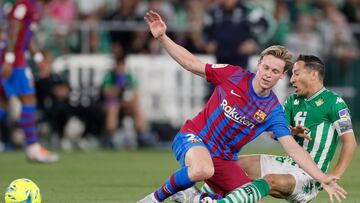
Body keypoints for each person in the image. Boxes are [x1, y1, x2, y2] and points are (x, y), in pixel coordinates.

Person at [137, 10, 346, 203]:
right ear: (258, 64)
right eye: (265, 67)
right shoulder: (233, 75)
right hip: (194, 138)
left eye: (274, 71)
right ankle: (154, 199)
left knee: (246, 196)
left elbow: (293, 149)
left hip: (223, 159)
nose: (267, 74)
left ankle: (194, 197)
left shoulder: (273, 110)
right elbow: (190, 63)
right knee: (202, 169)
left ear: (282, 76)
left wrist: (322, 178)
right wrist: (163, 37)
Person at [177, 54, 356, 203]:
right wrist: (292, 131)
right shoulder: (293, 101)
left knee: (269, 181)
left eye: (296, 74)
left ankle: (205, 200)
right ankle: (199, 196)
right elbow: (274, 133)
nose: (292, 80)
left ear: (314, 75)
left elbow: (349, 142)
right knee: (230, 166)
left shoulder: (335, 103)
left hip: (309, 175)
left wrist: (333, 175)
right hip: (289, 163)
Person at [1, 0, 58, 163]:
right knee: (28, 99)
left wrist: (38, 57)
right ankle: (33, 148)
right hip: (15, 59)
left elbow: (27, 36)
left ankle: (33, 148)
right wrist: (9, 58)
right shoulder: (23, 5)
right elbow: (13, 27)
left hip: (17, 58)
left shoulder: (33, 7)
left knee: (3, 102)